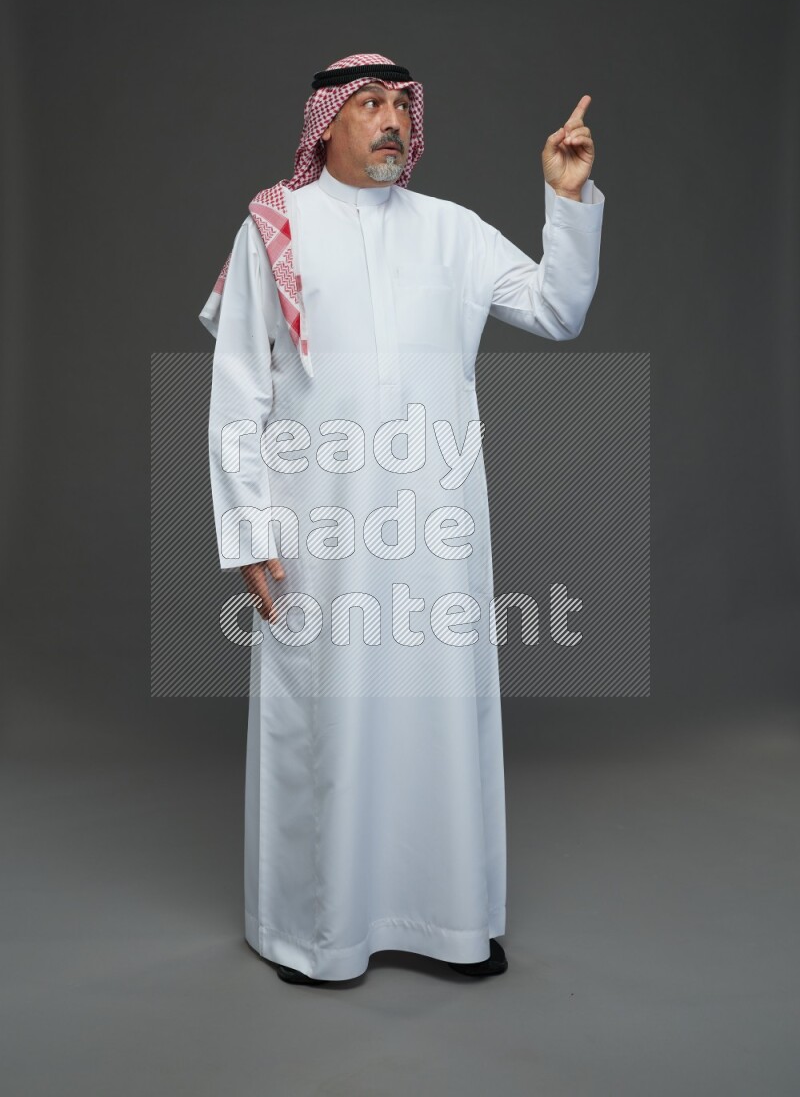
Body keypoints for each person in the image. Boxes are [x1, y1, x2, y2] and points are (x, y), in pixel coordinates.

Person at [199, 52, 604, 985]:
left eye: (400, 107)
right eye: (370, 105)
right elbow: (239, 397)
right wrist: (250, 533)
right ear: (326, 123)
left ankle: (450, 921)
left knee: (440, 716)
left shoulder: (453, 232)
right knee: (327, 723)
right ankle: (315, 934)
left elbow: (557, 309)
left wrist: (568, 203)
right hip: (322, 533)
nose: (390, 122)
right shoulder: (276, 229)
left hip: (436, 529)